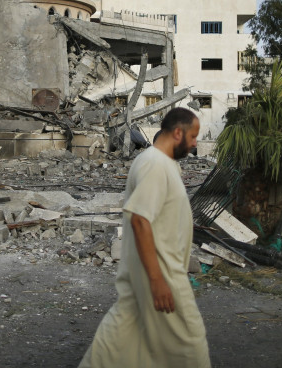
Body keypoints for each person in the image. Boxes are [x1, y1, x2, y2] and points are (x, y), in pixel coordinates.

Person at [79, 107, 210, 367]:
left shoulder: (160, 162)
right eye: (193, 137)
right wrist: (157, 280)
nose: (195, 144)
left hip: (145, 275)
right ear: (177, 133)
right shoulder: (155, 164)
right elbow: (140, 220)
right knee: (190, 346)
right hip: (162, 276)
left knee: (120, 341)